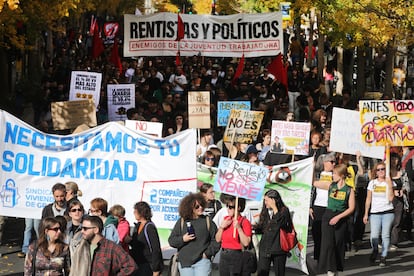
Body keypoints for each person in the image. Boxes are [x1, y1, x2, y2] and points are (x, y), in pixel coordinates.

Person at [168, 193, 220, 276]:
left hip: (202, 262)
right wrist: (183, 239)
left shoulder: (207, 221)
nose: (200, 208)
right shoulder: (181, 222)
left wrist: (207, 254)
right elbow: (171, 241)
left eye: (202, 205)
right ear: (189, 207)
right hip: (185, 263)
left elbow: (217, 239)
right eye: (197, 207)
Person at [318, 164, 355, 276]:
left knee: (338, 243)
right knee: (328, 244)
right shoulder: (331, 185)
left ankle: (336, 269)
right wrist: (312, 165)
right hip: (328, 215)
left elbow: (351, 208)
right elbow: (314, 183)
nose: (332, 175)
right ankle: (330, 269)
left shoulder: (349, 190)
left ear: (342, 175)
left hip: (341, 217)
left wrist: (338, 217)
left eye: (334, 173)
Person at [363, 162, 395, 267]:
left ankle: (383, 256)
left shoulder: (390, 182)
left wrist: (389, 184)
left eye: (383, 169)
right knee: (374, 236)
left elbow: (391, 198)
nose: (381, 171)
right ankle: (375, 250)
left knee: (385, 235)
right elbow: (368, 198)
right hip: (375, 212)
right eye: (378, 169)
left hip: (388, 211)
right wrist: (366, 213)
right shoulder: (372, 183)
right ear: (375, 172)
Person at [255, 189, 292, 276]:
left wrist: (275, 208)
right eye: (264, 200)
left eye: (267, 200)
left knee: (279, 272)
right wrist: (255, 228)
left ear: (274, 200)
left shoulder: (284, 211)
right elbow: (264, 228)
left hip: (278, 248)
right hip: (265, 247)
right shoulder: (265, 211)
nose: (265, 203)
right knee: (262, 272)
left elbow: (278, 224)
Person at [215, 196, 252, 276]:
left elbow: (246, 243)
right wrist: (221, 227)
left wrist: (239, 228)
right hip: (224, 254)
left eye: (231, 207)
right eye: (227, 206)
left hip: (237, 255)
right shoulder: (226, 219)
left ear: (238, 208)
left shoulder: (244, 222)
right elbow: (218, 239)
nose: (228, 209)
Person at [310, 153, 336, 261]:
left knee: (329, 234)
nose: (334, 164)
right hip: (318, 206)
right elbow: (311, 189)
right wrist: (309, 206)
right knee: (316, 232)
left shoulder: (336, 174)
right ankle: (318, 256)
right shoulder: (317, 174)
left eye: (335, 162)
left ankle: (327, 257)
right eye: (332, 162)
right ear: (325, 162)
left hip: (330, 206)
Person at [130, 201, 164, 276]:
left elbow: (156, 249)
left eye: (135, 211)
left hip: (148, 265)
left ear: (141, 212)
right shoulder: (138, 226)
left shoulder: (149, 227)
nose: (134, 213)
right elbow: (138, 245)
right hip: (138, 263)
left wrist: (156, 269)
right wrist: (129, 241)